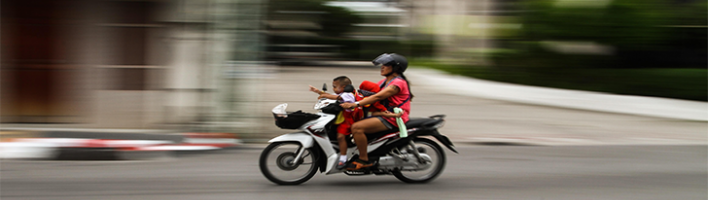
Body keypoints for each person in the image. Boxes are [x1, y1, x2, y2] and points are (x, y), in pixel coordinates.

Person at [339, 53, 412, 171]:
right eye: (382, 64)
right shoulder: (385, 82)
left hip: (393, 118)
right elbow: (365, 95)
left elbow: (377, 97)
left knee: (357, 127)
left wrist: (355, 104)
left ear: (396, 68)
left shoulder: (398, 83)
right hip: (382, 115)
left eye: (386, 65)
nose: (382, 67)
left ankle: (363, 160)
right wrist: (341, 98)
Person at [309, 76, 364, 169]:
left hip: (346, 121)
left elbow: (335, 97)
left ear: (344, 87)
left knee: (340, 137)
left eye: (335, 86)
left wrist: (324, 95)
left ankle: (343, 159)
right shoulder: (343, 93)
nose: (333, 89)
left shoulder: (348, 94)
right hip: (340, 120)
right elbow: (332, 96)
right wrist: (318, 92)